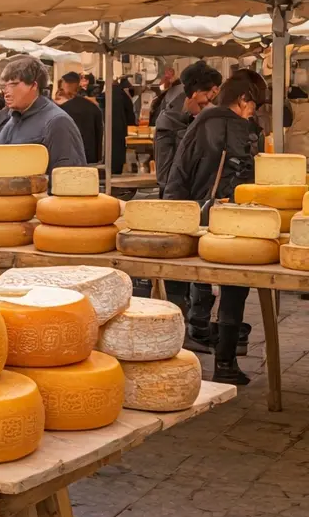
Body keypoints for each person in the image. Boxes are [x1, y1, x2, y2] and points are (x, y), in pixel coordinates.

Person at [164, 70, 267, 385]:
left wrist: (172, 217)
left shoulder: (200, 122)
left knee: (185, 285)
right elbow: (248, 184)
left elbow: (179, 173)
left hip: (193, 217)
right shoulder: (241, 129)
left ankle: (173, 354)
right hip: (231, 223)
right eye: (254, 106)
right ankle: (225, 363)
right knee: (235, 288)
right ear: (244, 100)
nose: (253, 113)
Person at [0, 55, 86, 172]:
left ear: (34, 86)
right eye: (3, 86)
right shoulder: (12, 120)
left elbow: (69, 176)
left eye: (13, 84)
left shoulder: (57, 122)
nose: (6, 92)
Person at [154, 61, 223, 191]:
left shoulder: (203, 117)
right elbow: (164, 176)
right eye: (206, 98)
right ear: (193, 93)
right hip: (176, 196)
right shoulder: (168, 123)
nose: (208, 105)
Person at [57, 72, 103, 167]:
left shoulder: (63, 109)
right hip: (90, 156)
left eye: (61, 89)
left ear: (67, 86)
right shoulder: (93, 107)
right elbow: (99, 133)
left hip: (70, 156)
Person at [101, 78, 137, 174]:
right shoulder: (123, 95)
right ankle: (116, 170)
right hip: (120, 128)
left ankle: (108, 170)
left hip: (107, 126)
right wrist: (132, 127)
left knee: (108, 149)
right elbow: (130, 114)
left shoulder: (105, 95)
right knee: (118, 150)